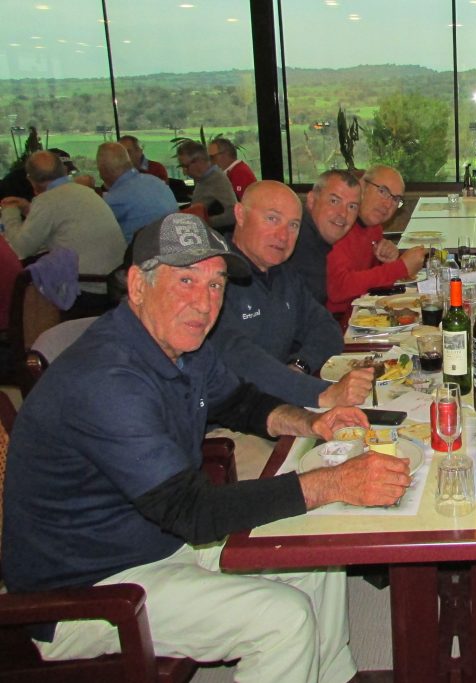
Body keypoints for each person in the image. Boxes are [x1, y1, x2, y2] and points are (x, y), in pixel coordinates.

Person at [1, 212, 411, 682]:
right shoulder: (106, 381)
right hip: (89, 586)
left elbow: (240, 403)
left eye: (216, 284)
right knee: (282, 619)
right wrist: (331, 483)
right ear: (137, 286)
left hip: (157, 540)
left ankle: (332, 675)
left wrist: (312, 422)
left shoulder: (183, 345)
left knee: (314, 548)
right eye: (186, 280)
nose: (204, 302)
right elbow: (192, 511)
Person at [209, 180, 373, 409]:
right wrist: (320, 393)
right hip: (233, 416)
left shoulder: (283, 274)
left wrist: (299, 365)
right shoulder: (213, 277)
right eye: (272, 219)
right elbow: (241, 360)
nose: (283, 236)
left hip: (281, 400)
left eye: (293, 225)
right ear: (240, 215)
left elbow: (326, 328)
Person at [0, 150, 125, 309]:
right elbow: (59, 220)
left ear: (31, 180)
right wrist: (28, 209)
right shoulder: (85, 191)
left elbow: (19, 250)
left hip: (90, 288)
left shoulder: (47, 201)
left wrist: (9, 212)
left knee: (29, 289)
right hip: (115, 283)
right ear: (64, 171)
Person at [325, 165, 425, 327]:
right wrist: (400, 268)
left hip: (360, 314)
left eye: (395, 199)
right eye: (383, 191)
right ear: (362, 186)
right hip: (333, 323)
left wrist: (386, 260)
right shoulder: (339, 225)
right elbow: (339, 289)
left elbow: (370, 281)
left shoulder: (374, 228)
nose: (388, 204)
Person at [291, 169, 362, 304]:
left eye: (352, 206)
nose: (343, 214)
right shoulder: (297, 245)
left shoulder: (317, 241)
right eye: (334, 201)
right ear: (311, 200)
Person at [96, 141, 178, 242]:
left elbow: (92, 229)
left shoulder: (114, 199)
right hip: (176, 244)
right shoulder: (155, 181)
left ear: (104, 171)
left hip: (145, 250)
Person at [176, 140, 237, 232]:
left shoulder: (217, 180)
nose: (185, 172)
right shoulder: (203, 180)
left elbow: (233, 215)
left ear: (198, 162)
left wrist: (203, 222)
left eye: (186, 166)